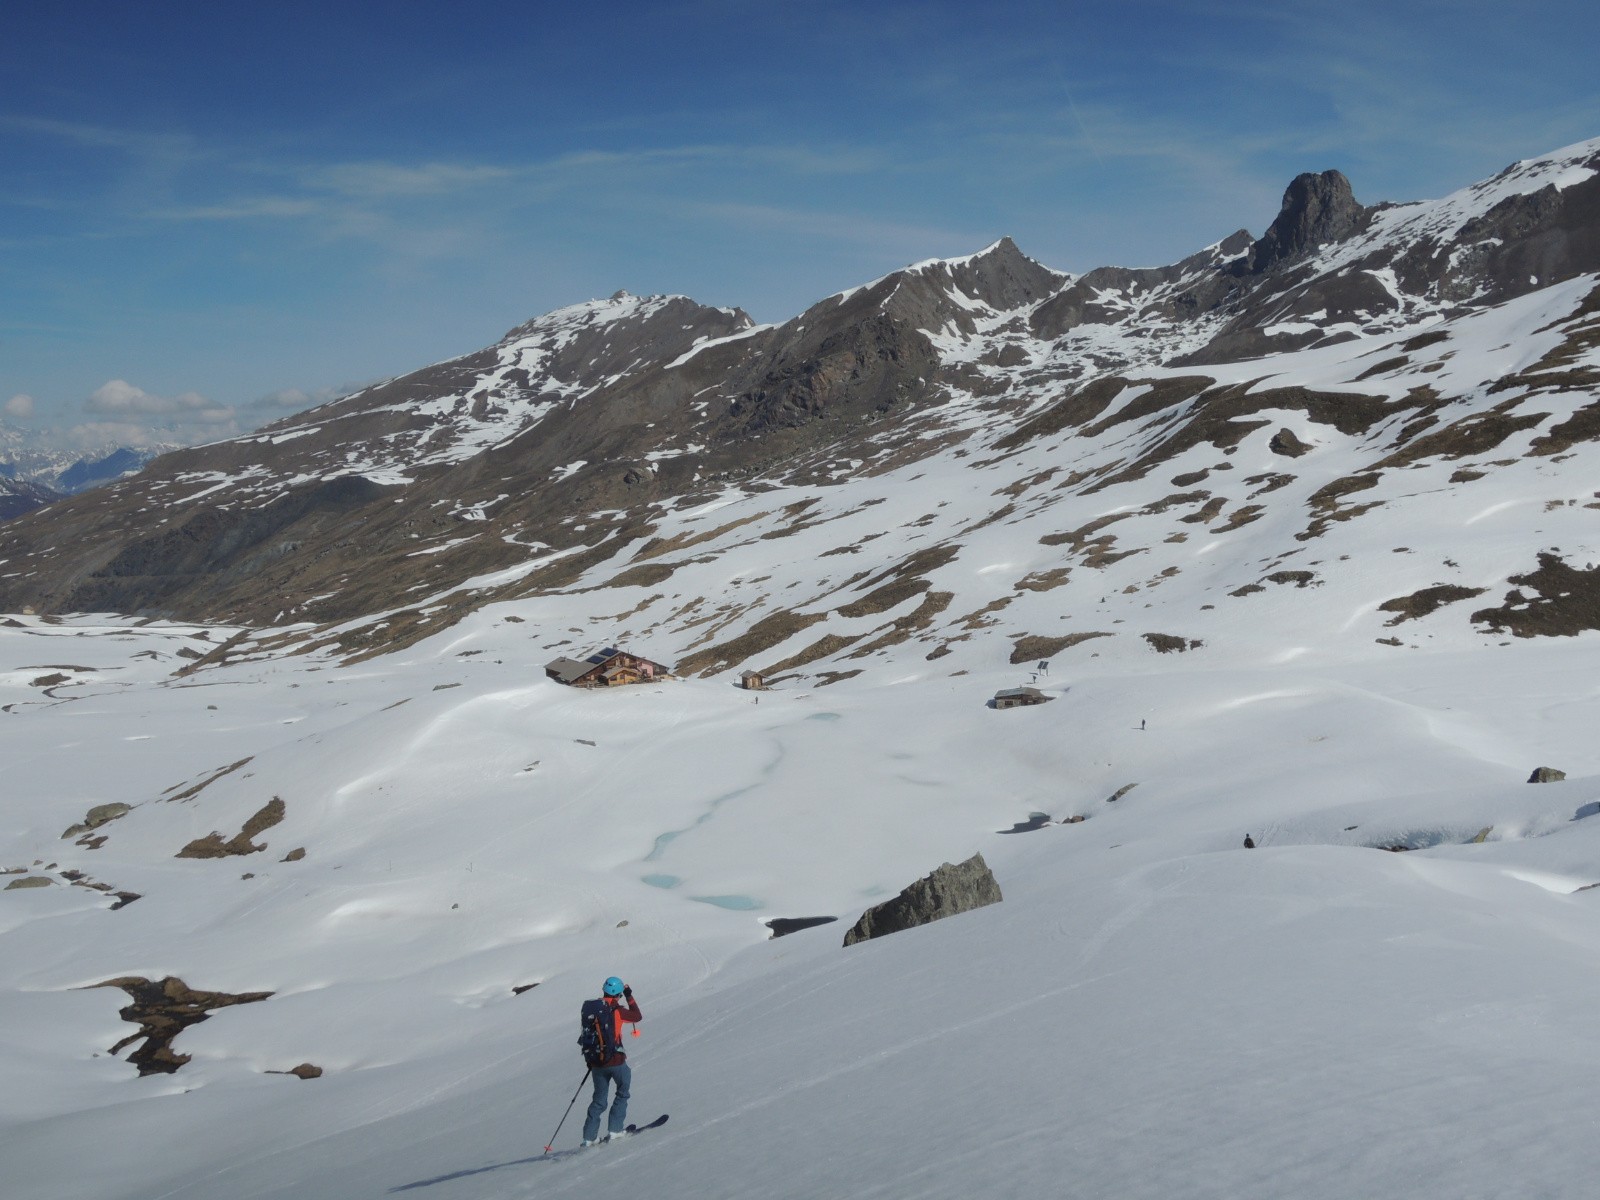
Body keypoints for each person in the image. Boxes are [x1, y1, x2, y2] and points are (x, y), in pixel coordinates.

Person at [581, 976, 642, 1146]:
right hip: (616, 1061)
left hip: (596, 1064)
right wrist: (629, 996)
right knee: (622, 1092)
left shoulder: (593, 1010)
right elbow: (637, 1016)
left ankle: (589, 1138)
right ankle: (615, 1130)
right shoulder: (617, 1010)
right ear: (618, 993)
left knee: (598, 1100)